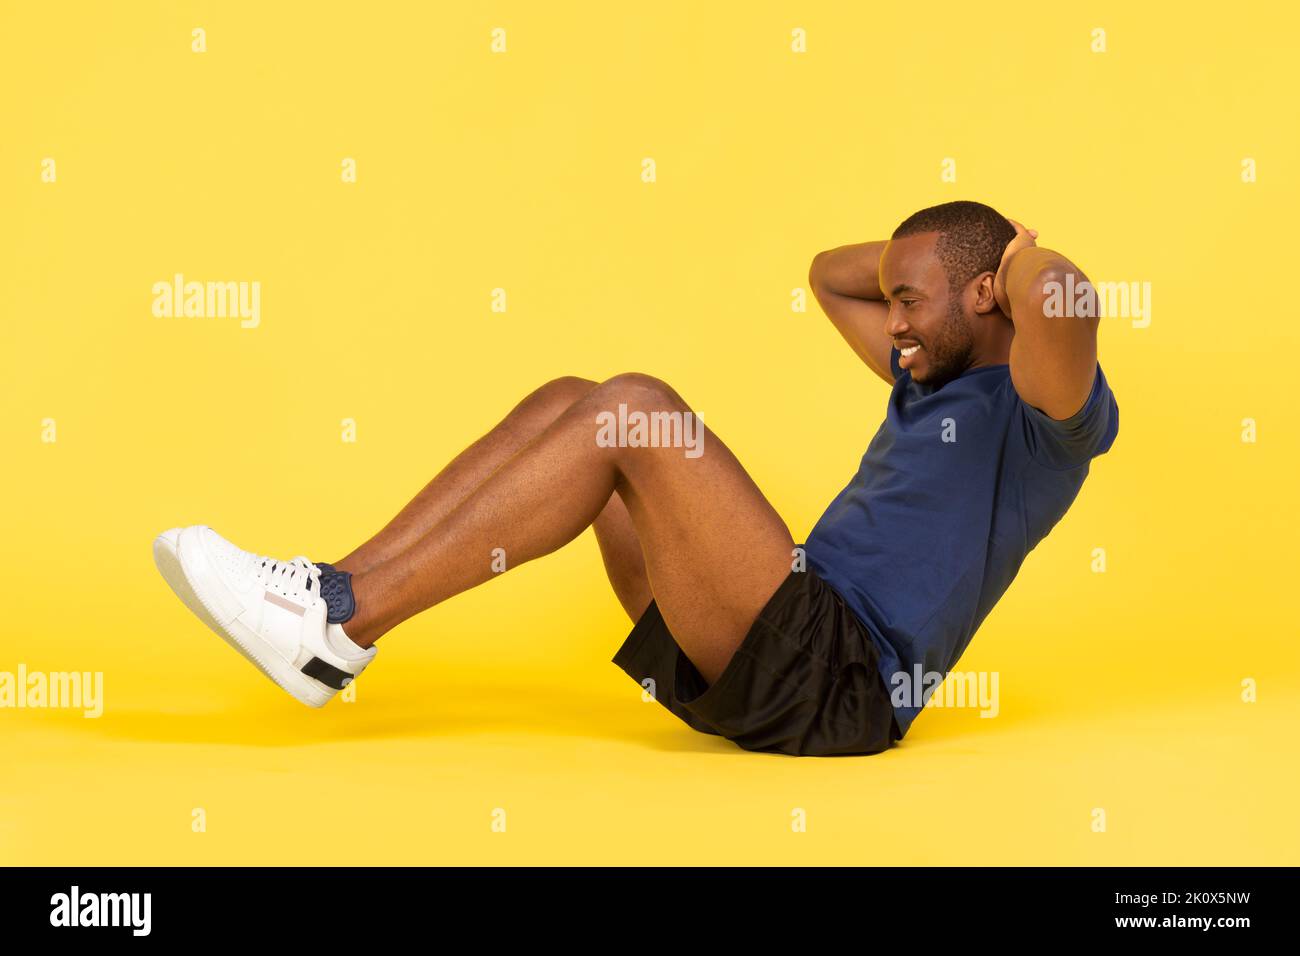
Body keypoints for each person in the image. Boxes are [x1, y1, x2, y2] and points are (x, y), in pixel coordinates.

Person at [154, 200, 1118, 756]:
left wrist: (1014, 257)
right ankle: (330, 603)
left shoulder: (1043, 418)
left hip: (842, 682)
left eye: (910, 301)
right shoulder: (926, 374)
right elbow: (828, 273)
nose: (893, 321)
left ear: (987, 298)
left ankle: (341, 622)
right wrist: (936, 265)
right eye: (896, 302)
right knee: (577, 398)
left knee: (634, 405)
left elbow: (1067, 300)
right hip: (763, 636)